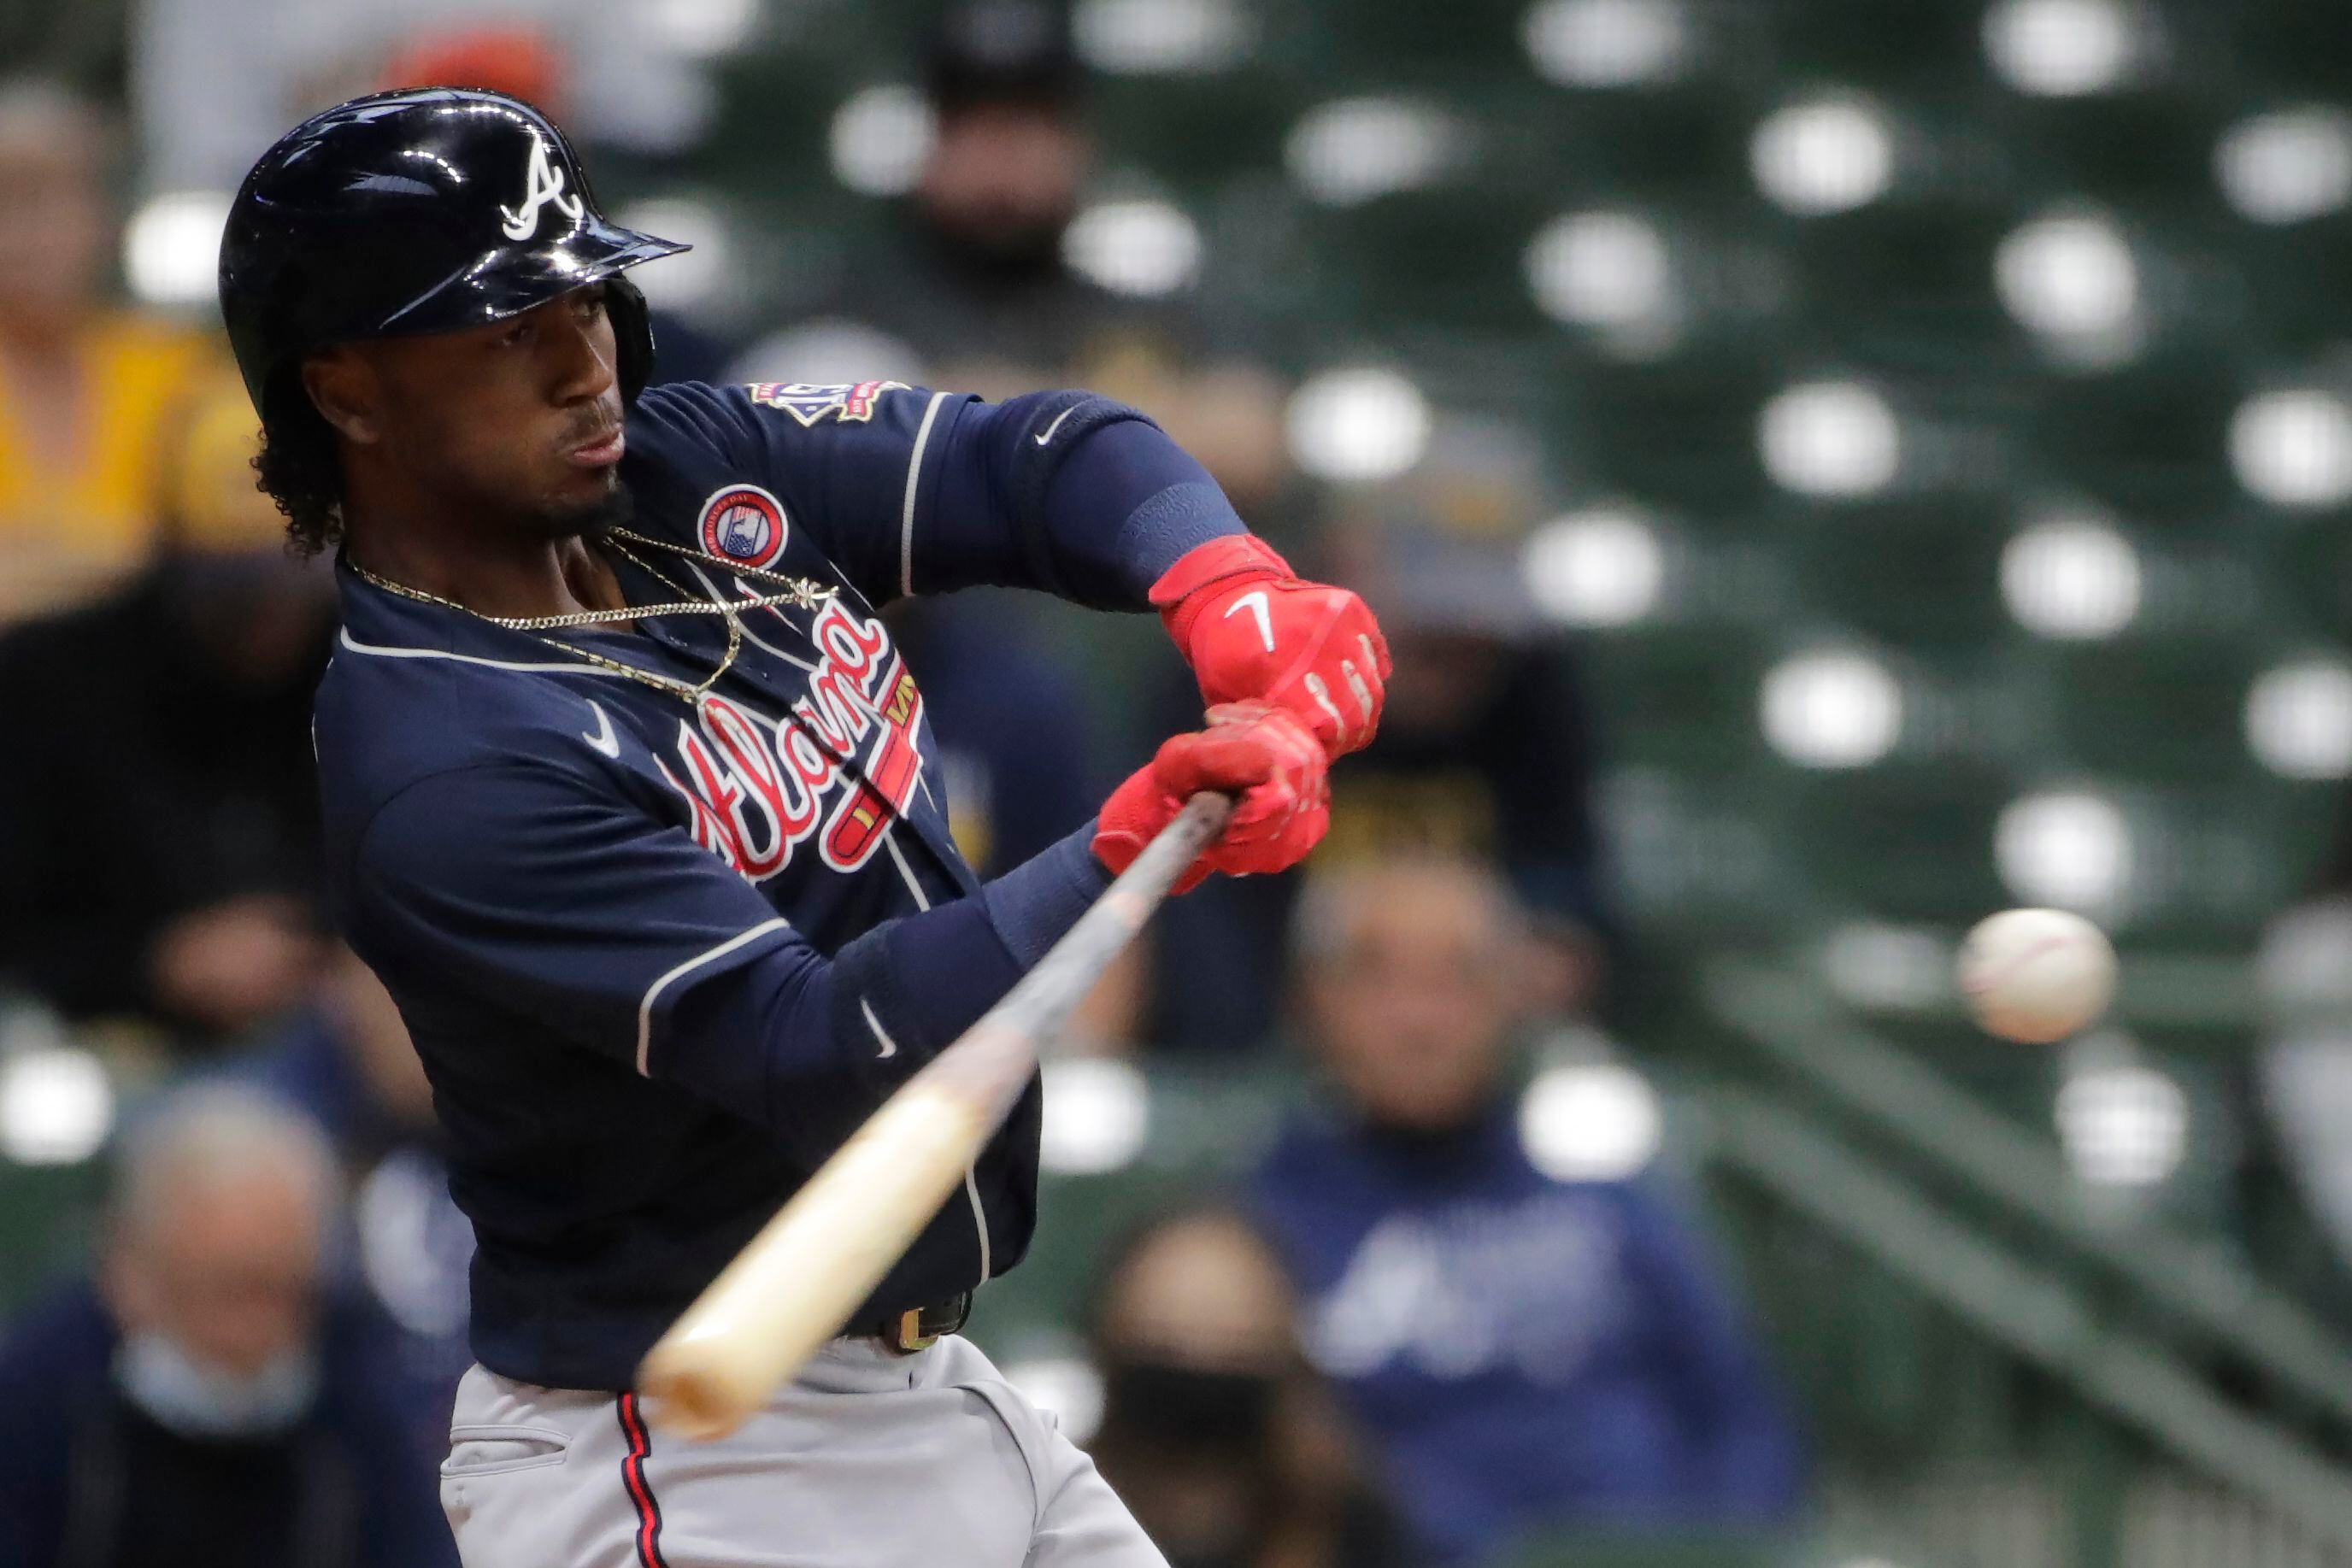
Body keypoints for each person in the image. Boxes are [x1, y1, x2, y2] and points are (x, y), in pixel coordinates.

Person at [215, 88, 1388, 1567]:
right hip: (693, 1456)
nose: (585, 366)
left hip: (929, 1384)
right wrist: (1117, 855)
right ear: (346, 389)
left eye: (587, 299)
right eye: (509, 331)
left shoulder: (685, 472)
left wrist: (1227, 586)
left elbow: (1025, 461)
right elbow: (818, 1048)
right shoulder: (441, 761)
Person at [1250, 859, 1804, 1566]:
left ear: (1515, 994)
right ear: (1313, 998)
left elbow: (1738, 1410)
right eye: (1378, 976)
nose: (1421, 1018)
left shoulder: (1601, 1182)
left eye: (1460, 977)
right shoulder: (1265, 1220)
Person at [0, 374, 334, 1046]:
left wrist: (336, 955)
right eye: (236, 593)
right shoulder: (51, 686)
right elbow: (24, 927)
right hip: (109, 1048)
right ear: (176, 560)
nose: (268, 620)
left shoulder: (368, 669)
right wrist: (155, 966)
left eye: (286, 588)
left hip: (341, 1027)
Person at [0, 1084, 457, 1568]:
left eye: (287, 1295)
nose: (256, 1333)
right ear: (131, 1277)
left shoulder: (357, 1405)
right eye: (230, 1293)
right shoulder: (37, 1407)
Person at [0, 79, 222, 627]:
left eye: (51, 198)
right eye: (5, 201)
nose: (28, 233)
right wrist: (131, 562)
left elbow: (235, 543)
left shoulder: (178, 365)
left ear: (106, 214)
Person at [1086, 1207, 1416, 1568]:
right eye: (1166, 1355)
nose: (1197, 1409)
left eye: (1231, 1358)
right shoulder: (1051, 1518)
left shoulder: (1358, 1528)